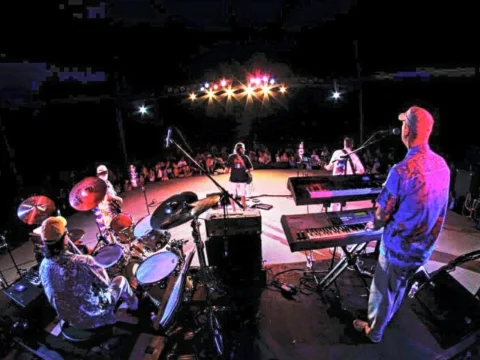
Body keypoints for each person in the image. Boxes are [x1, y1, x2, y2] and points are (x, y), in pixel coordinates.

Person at [353, 106, 450, 343]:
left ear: (406, 130)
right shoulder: (442, 165)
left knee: (383, 290)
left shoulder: (401, 171)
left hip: (398, 249)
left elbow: (380, 216)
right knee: (400, 285)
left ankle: (373, 332)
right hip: (424, 248)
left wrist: (371, 220)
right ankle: (387, 318)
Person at [38, 216, 138, 330]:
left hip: (70, 319)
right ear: (64, 238)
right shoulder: (83, 261)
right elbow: (106, 284)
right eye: (66, 233)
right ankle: (134, 307)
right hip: (93, 317)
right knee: (121, 280)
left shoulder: (43, 265)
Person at [93, 165, 123, 240]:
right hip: (107, 212)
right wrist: (119, 199)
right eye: (101, 173)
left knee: (118, 228)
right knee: (111, 231)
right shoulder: (99, 185)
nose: (103, 174)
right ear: (97, 175)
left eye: (105, 172)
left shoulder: (108, 182)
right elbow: (108, 197)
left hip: (113, 209)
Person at [225, 142, 253, 211]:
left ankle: (234, 209)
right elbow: (251, 168)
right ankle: (243, 210)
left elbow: (227, 170)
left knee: (231, 195)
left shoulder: (231, 157)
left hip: (233, 180)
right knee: (243, 195)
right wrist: (247, 171)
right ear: (240, 149)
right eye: (243, 148)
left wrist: (225, 170)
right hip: (243, 179)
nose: (244, 150)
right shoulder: (245, 157)